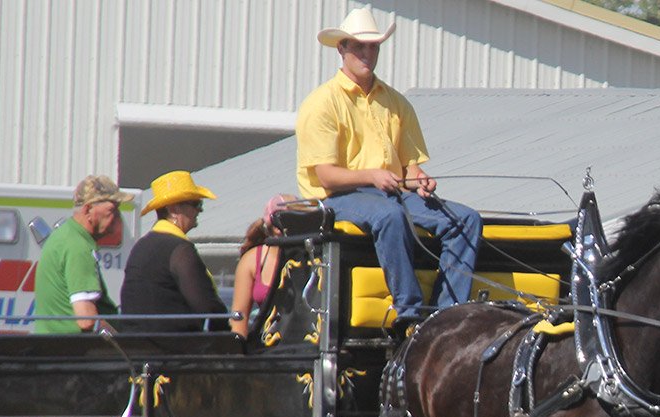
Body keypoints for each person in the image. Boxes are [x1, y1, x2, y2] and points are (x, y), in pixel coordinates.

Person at [297, 7, 482, 325]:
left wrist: (419, 180)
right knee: (390, 215)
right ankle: (409, 312)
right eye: (359, 46)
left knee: (466, 219)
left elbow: (409, 168)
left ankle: (445, 313)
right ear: (341, 49)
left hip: (391, 193)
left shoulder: (397, 103)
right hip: (337, 198)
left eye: (373, 46)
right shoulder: (322, 103)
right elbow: (326, 176)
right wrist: (372, 175)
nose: (367, 53)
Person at [120, 170, 228, 333]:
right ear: (174, 208)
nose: (200, 210)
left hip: (136, 345)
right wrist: (227, 335)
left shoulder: (143, 245)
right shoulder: (179, 249)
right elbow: (205, 304)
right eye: (196, 204)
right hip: (171, 347)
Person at [33, 175, 132, 334]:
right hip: (73, 351)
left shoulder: (64, 236)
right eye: (112, 210)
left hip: (53, 347)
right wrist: (123, 341)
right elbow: (87, 321)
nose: (117, 217)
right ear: (88, 210)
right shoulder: (78, 246)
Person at [230, 194, 297, 335]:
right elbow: (239, 318)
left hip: (306, 343)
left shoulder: (312, 255)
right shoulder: (252, 259)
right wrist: (239, 351)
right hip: (266, 343)